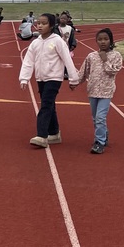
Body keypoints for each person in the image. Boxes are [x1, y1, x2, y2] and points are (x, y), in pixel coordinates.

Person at [18, 13, 79, 148]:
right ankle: (54, 133)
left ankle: (42, 135)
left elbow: (67, 59)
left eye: (44, 23)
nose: (40, 25)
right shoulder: (35, 43)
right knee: (50, 105)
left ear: (51, 26)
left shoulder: (58, 41)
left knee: (45, 104)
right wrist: (24, 78)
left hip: (54, 78)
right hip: (41, 78)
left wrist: (73, 79)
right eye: (38, 23)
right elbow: (28, 61)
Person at [71, 28, 123, 154]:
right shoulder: (91, 56)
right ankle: (103, 133)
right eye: (100, 39)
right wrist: (75, 82)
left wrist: (105, 59)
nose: (103, 42)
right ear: (96, 41)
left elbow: (113, 71)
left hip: (106, 92)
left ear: (111, 40)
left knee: (100, 117)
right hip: (92, 90)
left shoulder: (116, 56)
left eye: (105, 39)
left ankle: (99, 142)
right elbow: (84, 71)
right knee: (95, 118)